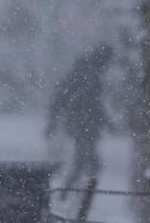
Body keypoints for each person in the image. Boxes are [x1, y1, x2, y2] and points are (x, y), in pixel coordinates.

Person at [46, 44, 115, 192]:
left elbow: (87, 101)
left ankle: (73, 194)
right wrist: (106, 122)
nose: (107, 67)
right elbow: (90, 102)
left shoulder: (86, 71)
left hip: (83, 123)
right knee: (87, 161)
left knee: (86, 160)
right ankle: (71, 194)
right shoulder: (89, 73)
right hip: (84, 123)